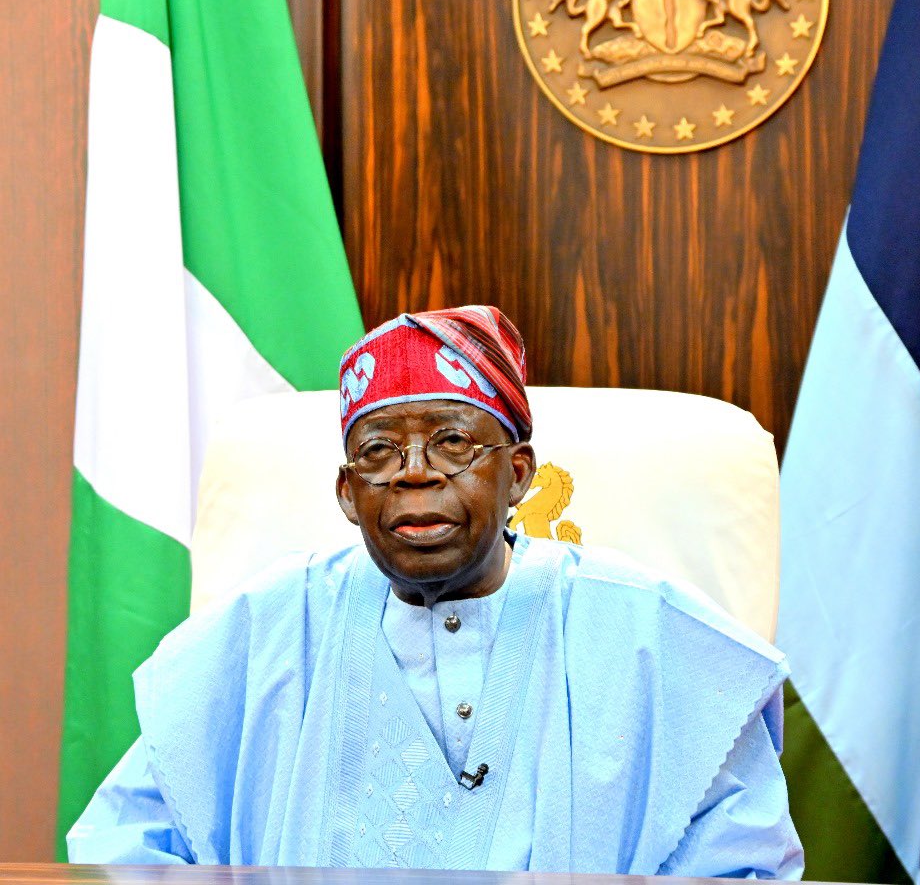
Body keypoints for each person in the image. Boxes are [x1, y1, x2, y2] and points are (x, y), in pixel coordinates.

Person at [68, 305, 804, 877]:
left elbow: (743, 864)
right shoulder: (262, 633)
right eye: (379, 451)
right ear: (347, 493)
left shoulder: (652, 637)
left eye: (453, 442)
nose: (414, 472)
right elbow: (122, 850)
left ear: (518, 475)